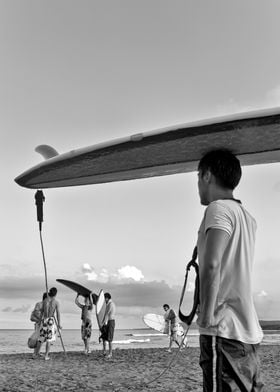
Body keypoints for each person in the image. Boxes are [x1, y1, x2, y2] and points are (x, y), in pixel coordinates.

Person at [196, 149, 264, 391]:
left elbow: (213, 264)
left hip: (223, 328)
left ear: (206, 175)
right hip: (248, 332)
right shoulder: (247, 217)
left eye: (198, 177)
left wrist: (206, 316)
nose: (198, 185)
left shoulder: (218, 209)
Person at [36, 287, 62, 361]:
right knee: (49, 339)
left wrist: (39, 321)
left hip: (44, 320)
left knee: (41, 338)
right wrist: (59, 324)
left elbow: (41, 312)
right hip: (50, 320)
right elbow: (58, 314)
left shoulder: (45, 300)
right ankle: (46, 355)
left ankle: (36, 353)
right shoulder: (56, 302)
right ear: (56, 294)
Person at [31, 292, 47, 357]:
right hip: (39, 323)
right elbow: (35, 313)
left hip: (44, 323)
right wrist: (40, 320)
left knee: (42, 339)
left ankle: (37, 352)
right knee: (40, 338)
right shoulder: (39, 304)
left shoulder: (47, 305)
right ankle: (35, 353)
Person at [101, 292, 116, 358]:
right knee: (104, 337)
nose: (104, 300)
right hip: (108, 322)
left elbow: (107, 314)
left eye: (104, 299)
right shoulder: (108, 304)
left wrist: (103, 322)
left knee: (109, 338)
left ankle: (110, 353)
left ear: (107, 298)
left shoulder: (111, 304)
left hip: (110, 321)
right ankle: (104, 352)